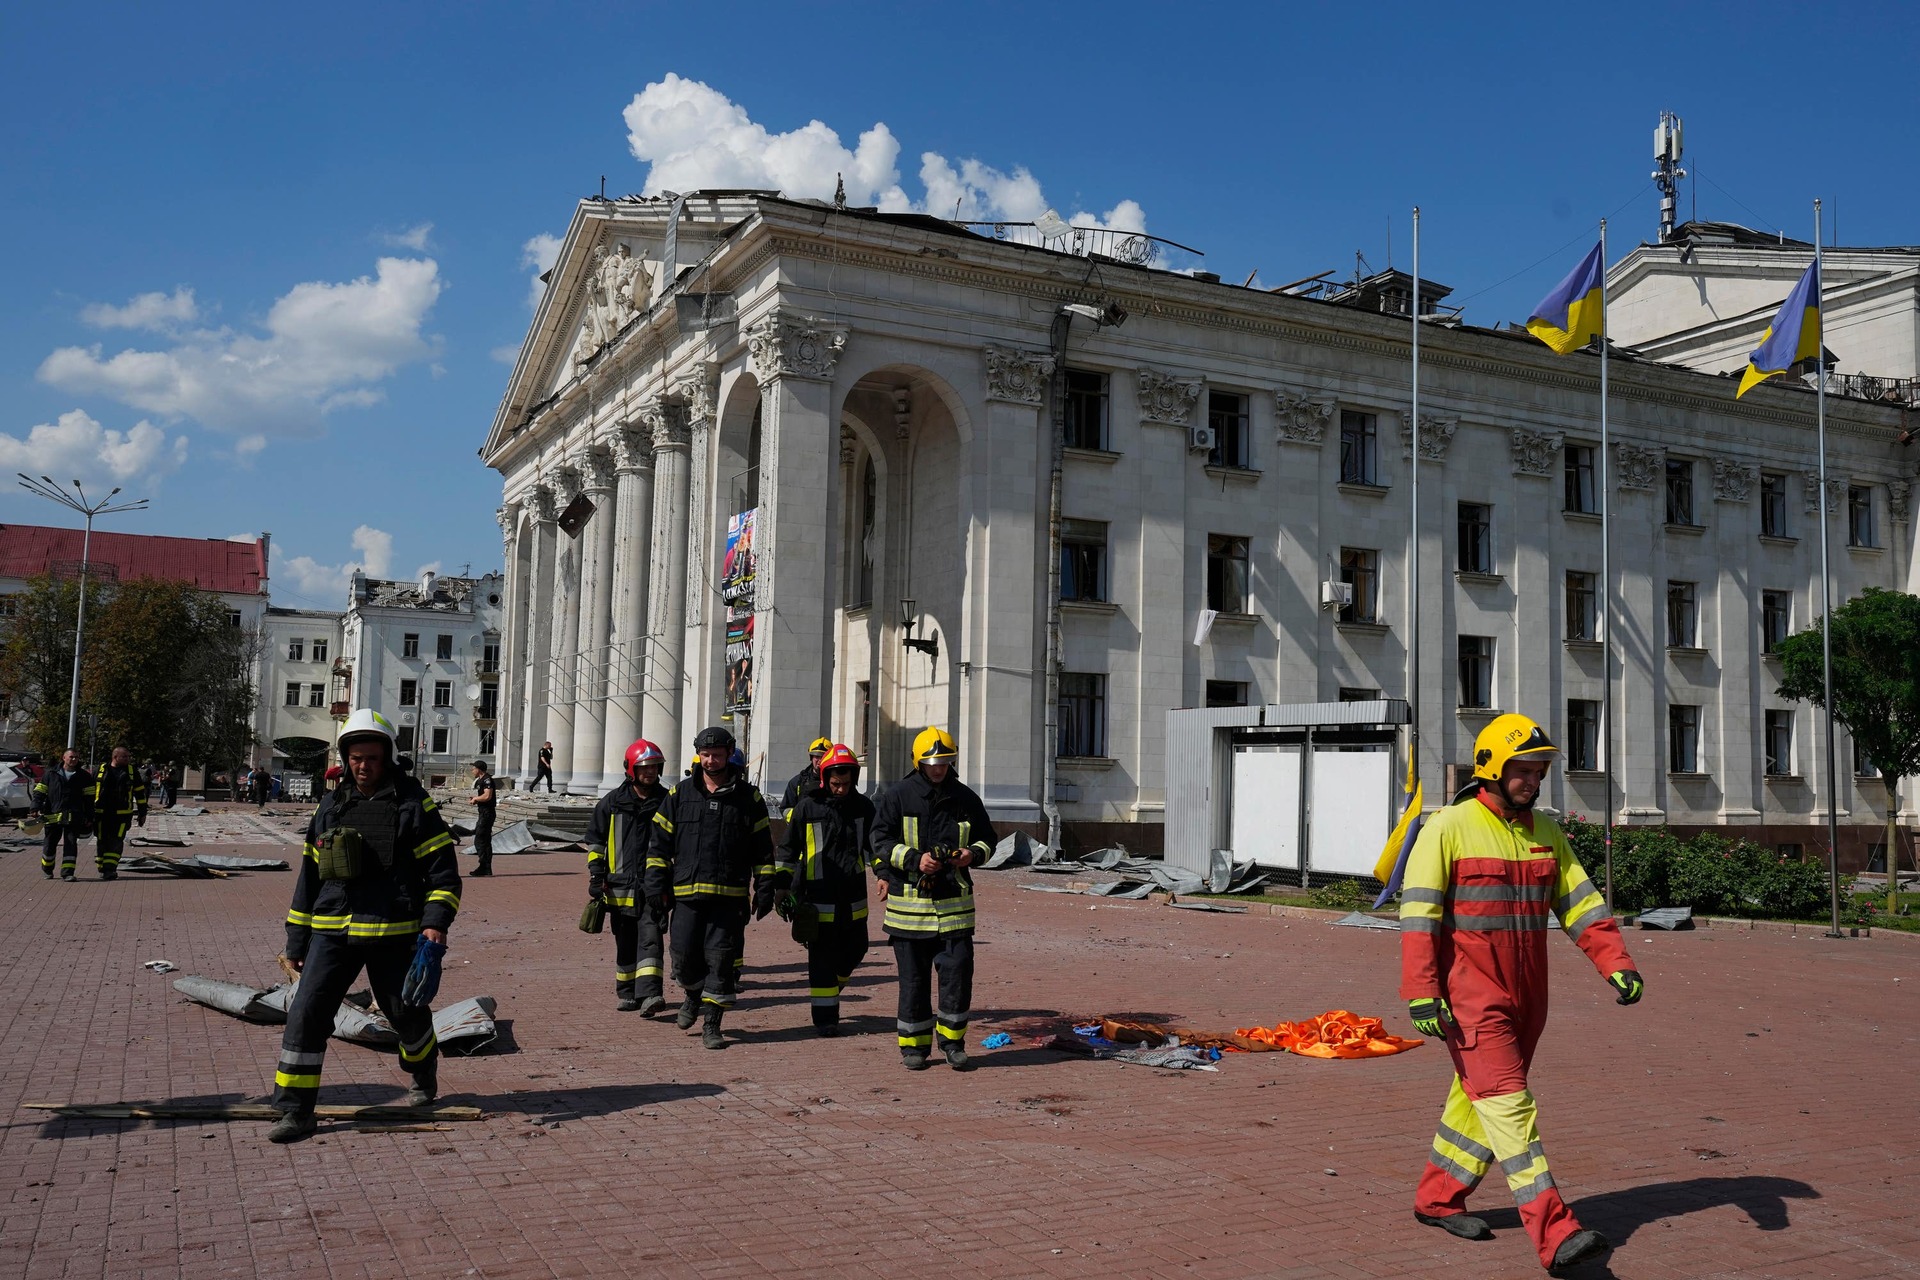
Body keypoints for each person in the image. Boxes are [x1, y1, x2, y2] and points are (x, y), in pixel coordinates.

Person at [1399, 713, 1643, 1274]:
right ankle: (1555, 1233)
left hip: (1529, 998)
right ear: (1490, 769)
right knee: (1511, 1107)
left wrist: (1616, 963)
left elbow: (1580, 903)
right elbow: (1418, 918)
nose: (1532, 781)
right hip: (1470, 999)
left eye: (1539, 771)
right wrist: (1421, 992)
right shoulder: (1450, 827)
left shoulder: (1546, 832)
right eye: (1522, 771)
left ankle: (1436, 1198)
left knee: (1478, 1100)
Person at [269, 708, 461, 1144]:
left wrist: (435, 924)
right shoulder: (332, 805)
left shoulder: (414, 805)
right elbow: (311, 876)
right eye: (356, 758)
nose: (363, 766)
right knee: (306, 1013)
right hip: (332, 932)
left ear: (387, 758)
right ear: (345, 757)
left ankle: (422, 1069)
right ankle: (295, 1111)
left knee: (406, 1017)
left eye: (372, 758)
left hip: (394, 935)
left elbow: (444, 874)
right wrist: (296, 938)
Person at [869, 727, 996, 1071]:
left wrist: (971, 854)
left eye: (944, 761)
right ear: (919, 762)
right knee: (913, 983)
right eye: (932, 762)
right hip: (909, 911)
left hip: (954, 910)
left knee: (957, 977)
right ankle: (914, 1048)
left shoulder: (966, 798)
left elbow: (989, 840)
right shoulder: (898, 796)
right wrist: (915, 860)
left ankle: (953, 1044)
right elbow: (879, 840)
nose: (939, 768)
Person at [643, 725, 775, 1050]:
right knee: (684, 959)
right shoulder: (679, 795)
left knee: (721, 960)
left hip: (729, 899)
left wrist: (767, 886)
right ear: (698, 755)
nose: (711, 760)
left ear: (730, 754)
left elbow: (763, 850)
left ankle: (713, 1024)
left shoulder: (749, 798)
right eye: (705, 754)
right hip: (686, 895)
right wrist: (655, 887)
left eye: (717, 755)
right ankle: (691, 994)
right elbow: (658, 846)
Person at [775, 743, 873, 1036]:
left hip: (853, 897)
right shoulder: (808, 806)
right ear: (825, 779)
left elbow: (876, 846)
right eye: (835, 784)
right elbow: (787, 849)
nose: (841, 789)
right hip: (816, 898)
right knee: (822, 960)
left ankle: (834, 985)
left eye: (846, 784)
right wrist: (781, 887)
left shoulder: (864, 807)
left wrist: (884, 874)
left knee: (858, 948)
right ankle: (825, 1019)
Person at [587, 739, 671, 1013]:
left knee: (651, 937)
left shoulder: (667, 801)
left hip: (654, 885)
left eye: (654, 767)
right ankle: (628, 993)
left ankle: (650, 995)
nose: (650, 772)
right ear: (631, 769)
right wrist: (596, 876)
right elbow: (596, 842)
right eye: (644, 767)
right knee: (625, 941)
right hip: (619, 887)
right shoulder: (612, 803)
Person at [33, 748, 96, 882]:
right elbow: (40, 791)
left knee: (71, 844)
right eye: (71, 757)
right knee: (49, 843)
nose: (74, 760)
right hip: (52, 814)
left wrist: (90, 816)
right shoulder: (50, 774)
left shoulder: (84, 776)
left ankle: (67, 873)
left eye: (76, 757)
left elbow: (89, 799)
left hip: (73, 815)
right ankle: (47, 869)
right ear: (64, 758)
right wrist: (35, 806)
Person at [92, 745, 148, 880]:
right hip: (101, 813)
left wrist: (142, 813)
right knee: (102, 840)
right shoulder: (100, 770)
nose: (128, 759)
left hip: (122, 814)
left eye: (128, 757)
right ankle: (102, 867)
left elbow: (140, 793)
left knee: (116, 841)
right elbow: (89, 791)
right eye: (124, 757)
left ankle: (110, 869)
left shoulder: (131, 771)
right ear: (115, 757)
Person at [780, 737, 833, 822]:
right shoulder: (797, 782)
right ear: (811, 758)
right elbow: (785, 809)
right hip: (803, 832)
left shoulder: (836, 782)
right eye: (817, 756)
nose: (819, 760)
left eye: (823, 757)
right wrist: (798, 819)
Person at [468, 760, 497, 876]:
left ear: (479, 769)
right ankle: (485, 868)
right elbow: (483, 796)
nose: (472, 770)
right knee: (484, 840)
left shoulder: (487, 779)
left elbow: (487, 796)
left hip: (487, 813)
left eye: (474, 768)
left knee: (480, 839)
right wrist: (476, 798)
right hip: (483, 812)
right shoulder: (480, 780)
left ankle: (484, 866)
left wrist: (476, 799)